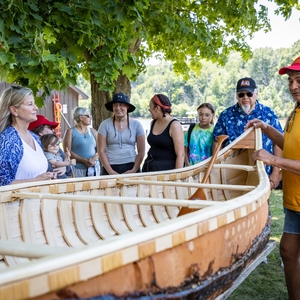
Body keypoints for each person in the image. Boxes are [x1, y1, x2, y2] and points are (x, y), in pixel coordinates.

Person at [245, 56, 300, 300]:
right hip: (294, 201)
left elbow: (280, 156)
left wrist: (273, 160)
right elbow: (288, 145)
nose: (293, 86)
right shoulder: (296, 111)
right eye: (290, 81)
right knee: (288, 251)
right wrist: (266, 128)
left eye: (299, 80)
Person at [213, 77, 283, 190]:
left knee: (262, 206)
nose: (245, 97)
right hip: (232, 173)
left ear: (256, 94)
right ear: (236, 96)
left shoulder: (268, 113)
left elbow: (278, 143)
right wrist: (217, 170)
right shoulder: (226, 115)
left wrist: (275, 173)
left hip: (262, 173)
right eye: (241, 94)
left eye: (249, 94)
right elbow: (217, 142)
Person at [0, 86, 56, 186]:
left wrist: (49, 176)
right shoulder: (7, 141)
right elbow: (2, 183)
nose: (36, 107)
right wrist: (36, 181)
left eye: (34, 103)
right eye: (30, 104)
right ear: (14, 110)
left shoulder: (35, 138)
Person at [97, 93, 145, 175]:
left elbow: (141, 151)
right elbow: (101, 151)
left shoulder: (137, 125)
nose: (118, 108)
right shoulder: (104, 125)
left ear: (127, 106)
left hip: (131, 165)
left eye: (121, 105)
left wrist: (134, 170)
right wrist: (110, 171)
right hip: (110, 166)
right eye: (115, 105)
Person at [142, 94, 184, 172]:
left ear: (157, 108)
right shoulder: (153, 123)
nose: (149, 110)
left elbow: (181, 155)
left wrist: (178, 178)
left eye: (150, 106)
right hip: (149, 168)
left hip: (166, 171)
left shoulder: (174, 125)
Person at [63, 107, 99, 177]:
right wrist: (84, 161)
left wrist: (93, 159)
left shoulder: (93, 131)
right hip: (78, 169)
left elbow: (101, 149)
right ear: (81, 118)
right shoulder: (70, 132)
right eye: (88, 116)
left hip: (94, 168)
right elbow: (67, 151)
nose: (91, 118)